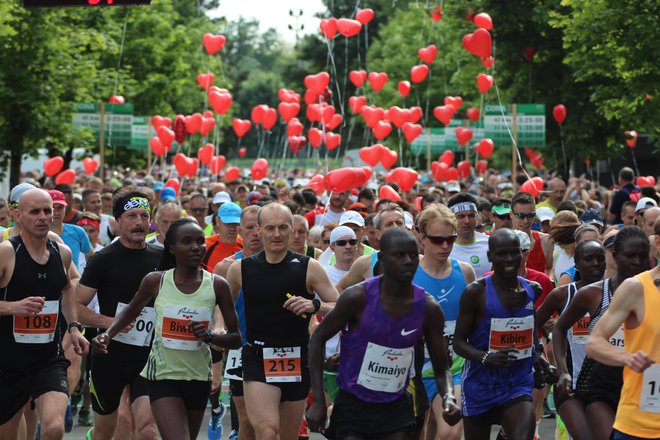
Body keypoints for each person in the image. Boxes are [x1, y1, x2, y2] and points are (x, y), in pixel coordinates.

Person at [91, 218, 242, 440]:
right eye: (187, 241)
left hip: (198, 377)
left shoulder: (217, 285)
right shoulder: (156, 281)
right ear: (172, 248)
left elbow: (236, 338)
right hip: (162, 376)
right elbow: (132, 310)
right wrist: (108, 334)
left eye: (200, 241)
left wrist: (209, 336)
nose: (195, 247)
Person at [306, 228, 461, 439]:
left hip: (395, 407)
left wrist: (449, 397)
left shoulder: (428, 308)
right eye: (399, 255)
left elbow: (442, 368)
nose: (408, 261)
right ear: (382, 258)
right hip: (353, 406)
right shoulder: (357, 297)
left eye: (413, 255)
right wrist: (318, 400)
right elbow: (318, 338)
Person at [225, 203, 339, 440]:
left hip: (296, 358)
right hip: (257, 357)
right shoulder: (240, 270)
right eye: (270, 228)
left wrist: (315, 305)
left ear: (292, 230)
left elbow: (340, 307)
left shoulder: (310, 267)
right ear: (259, 230)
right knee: (267, 432)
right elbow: (222, 306)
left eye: (282, 228)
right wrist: (219, 327)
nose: (276, 234)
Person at [0, 188, 89, 440]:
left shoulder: (62, 253)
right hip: (8, 362)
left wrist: (73, 327)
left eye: (47, 211)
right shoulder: (7, 252)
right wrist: (12, 307)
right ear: (17, 215)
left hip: (48, 358)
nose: (43, 217)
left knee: (53, 428)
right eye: (35, 211)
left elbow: (68, 288)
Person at [75, 189, 162, 440]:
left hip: (148, 358)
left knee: (147, 430)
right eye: (132, 216)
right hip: (108, 356)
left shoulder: (162, 259)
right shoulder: (103, 259)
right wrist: (109, 322)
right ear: (118, 220)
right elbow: (77, 307)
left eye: (144, 216)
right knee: (107, 432)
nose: (139, 223)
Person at [552, 226, 650, 440]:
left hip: (641, 386)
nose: (637, 262)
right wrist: (562, 370)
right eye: (630, 255)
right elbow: (559, 328)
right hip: (598, 385)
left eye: (642, 256)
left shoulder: (653, 293)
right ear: (614, 256)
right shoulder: (593, 293)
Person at [453, 228, 544, 440]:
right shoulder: (475, 292)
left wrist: (540, 358)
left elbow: (532, 333)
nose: (510, 258)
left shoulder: (533, 290)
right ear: (490, 257)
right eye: (502, 253)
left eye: (515, 252)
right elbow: (458, 343)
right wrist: (486, 357)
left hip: (517, 383)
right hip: (479, 385)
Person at [585, 218, 660, 440]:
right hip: (640, 425)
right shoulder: (636, 288)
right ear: (657, 242)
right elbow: (594, 342)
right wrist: (627, 358)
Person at [413, 204, 475, 440]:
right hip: (414, 369)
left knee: (450, 431)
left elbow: (475, 319)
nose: (445, 246)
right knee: (423, 429)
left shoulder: (465, 272)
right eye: (437, 240)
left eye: (450, 239)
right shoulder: (408, 273)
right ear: (421, 235)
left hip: (452, 369)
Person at [537, 240, 606, 440]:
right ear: (576, 264)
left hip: (605, 385)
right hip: (570, 386)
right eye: (589, 259)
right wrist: (539, 355)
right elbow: (531, 326)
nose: (595, 263)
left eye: (600, 258)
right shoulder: (562, 295)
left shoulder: (617, 292)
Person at [214, 205, 263, 440]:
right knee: (246, 420)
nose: (255, 233)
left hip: (279, 349)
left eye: (259, 227)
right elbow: (218, 306)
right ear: (240, 230)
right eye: (249, 227)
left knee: (273, 422)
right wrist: (218, 327)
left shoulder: (289, 263)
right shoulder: (227, 266)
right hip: (241, 348)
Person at [336, 203, 406, 291]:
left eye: (399, 223)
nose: (395, 227)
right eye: (389, 224)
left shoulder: (420, 262)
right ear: (378, 234)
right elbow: (340, 287)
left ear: (406, 229)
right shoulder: (365, 263)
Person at [447, 193, 491, 278]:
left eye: (471, 216)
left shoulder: (490, 243)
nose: (467, 221)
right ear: (451, 219)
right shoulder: (445, 247)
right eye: (461, 216)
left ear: (476, 217)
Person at [510, 192, 554, 275]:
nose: (526, 221)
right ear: (511, 214)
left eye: (530, 215)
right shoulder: (501, 242)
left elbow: (549, 270)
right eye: (520, 215)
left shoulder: (546, 241)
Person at [49, 189, 93, 269]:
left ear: (66, 208)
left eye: (60, 207)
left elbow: (92, 259)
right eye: (52, 208)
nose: (56, 212)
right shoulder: (36, 234)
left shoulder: (78, 231)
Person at [202, 202, 243, 273]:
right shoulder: (205, 245)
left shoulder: (245, 246)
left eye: (236, 224)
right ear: (217, 221)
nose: (232, 228)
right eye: (228, 223)